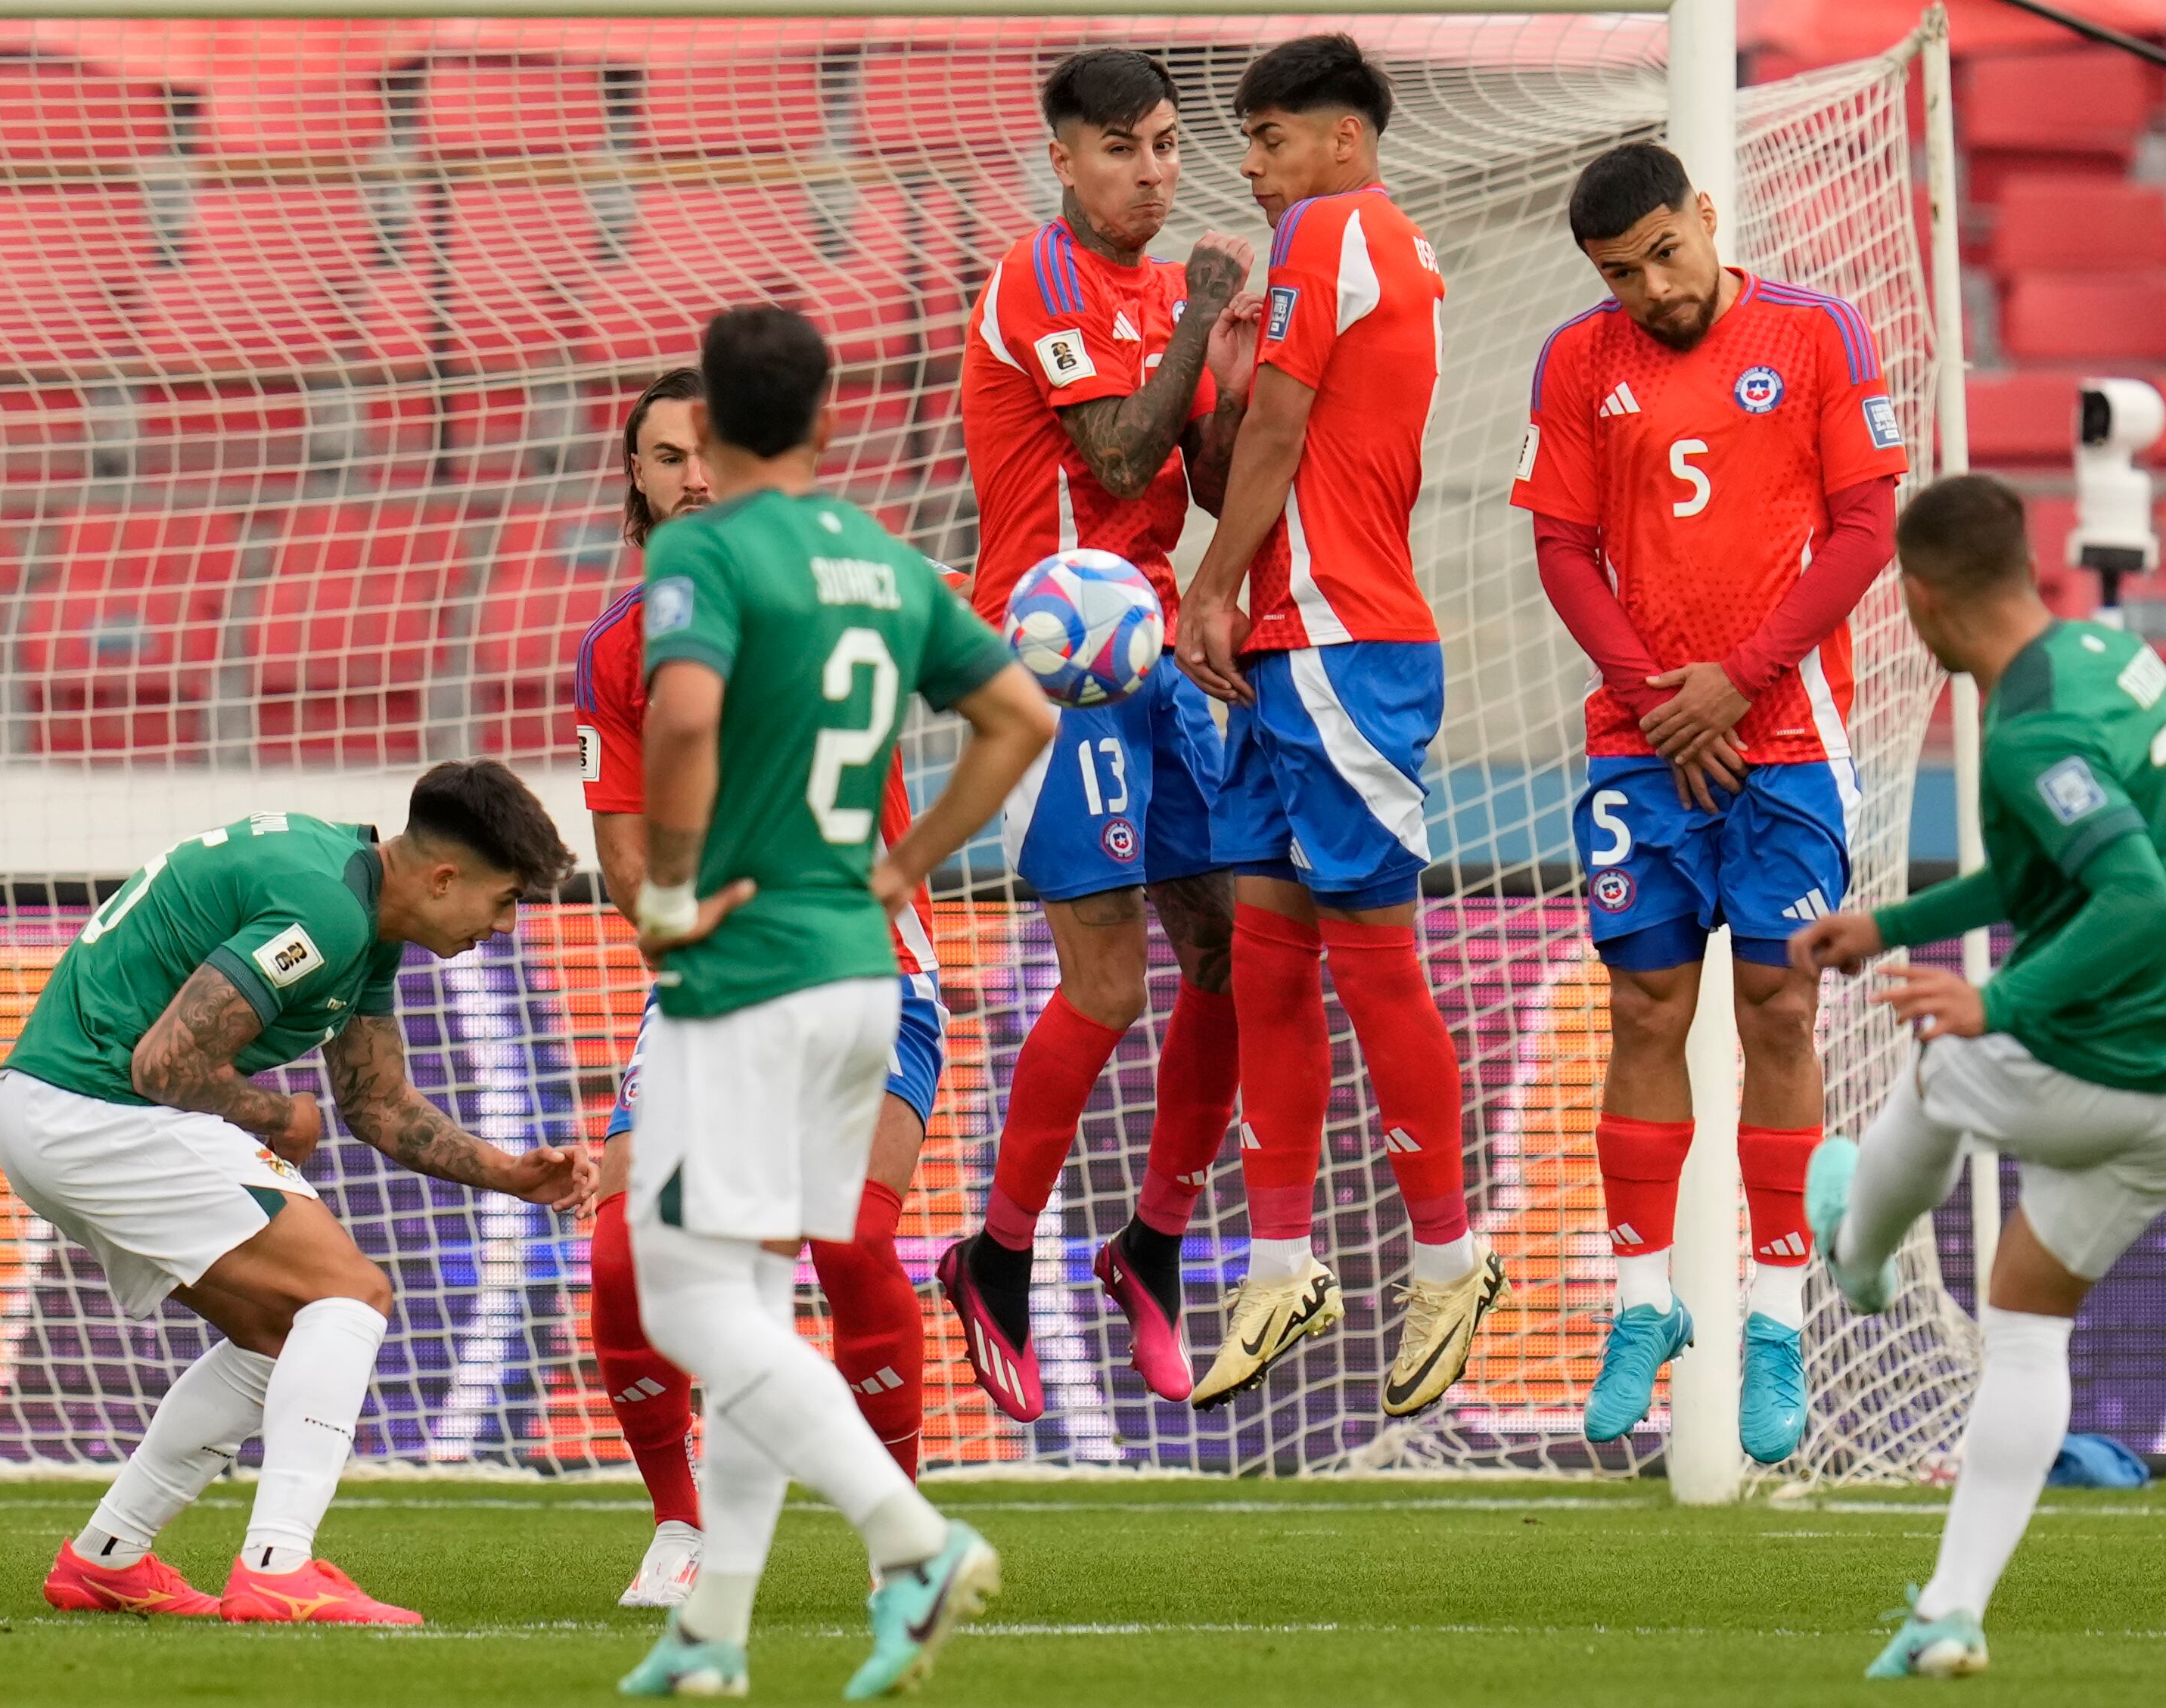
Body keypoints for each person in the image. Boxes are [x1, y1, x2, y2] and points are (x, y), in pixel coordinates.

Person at [616, 305, 1055, 1700]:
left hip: (746, 972)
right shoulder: (880, 557)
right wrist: (911, 864)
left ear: (714, 430)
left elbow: (682, 717)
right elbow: (1022, 717)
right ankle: (710, 1638)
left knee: (684, 1297)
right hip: (871, 969)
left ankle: (909, 1539)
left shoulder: (704, 547)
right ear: (824, 416)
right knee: (751, 1288)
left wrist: (673, 889)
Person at [1792, 473, 2166, 1678]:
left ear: (1920, 596)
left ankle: (1859, 1249)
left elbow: (2132, 893)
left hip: (2106, 1058)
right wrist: (1892, 925)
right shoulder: (2102, 658)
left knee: (1943, 1060)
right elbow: (2060, 869)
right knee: (2024, 1322)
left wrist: (1992, 999)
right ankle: (1948, 1608)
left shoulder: (2032, 729)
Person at [1509, 141, 1908, 1462]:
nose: (1648, 289)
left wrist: (1733, 684)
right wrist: (1654, 693)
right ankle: (1643, 1301)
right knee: (1642, 1001)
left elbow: (1863, 524)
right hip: (1643, 733)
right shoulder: (1576, 360)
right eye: (1620, 274)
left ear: (1706, 220)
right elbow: (1560, 546)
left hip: (1788, 730)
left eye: (1662, 255)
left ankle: (1778, 1317)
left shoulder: (1813, 332)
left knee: (1778, 1004)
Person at [5, 762, 593, 1625]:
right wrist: (278, 1110)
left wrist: (508, 1171)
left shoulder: (362, 908)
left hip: (60, 1110)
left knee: (280, 1332)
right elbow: (164, 1063)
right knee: (350, 1292)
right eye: (503, 901)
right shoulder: (325, 908)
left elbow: (377, 1102)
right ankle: (279, 1563)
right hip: (96, 1107)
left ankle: (108, 1556)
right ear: (443, 877)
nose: (502, 927)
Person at [1175, 33, 1507, 1417]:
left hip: (1341, 645)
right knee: (1266, 957)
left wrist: (1206, 585)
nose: (1249, 164)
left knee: (1373, 966)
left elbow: (1279, 445)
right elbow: (1242, 440)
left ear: (1343, 140)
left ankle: (1448, 1255)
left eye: (1267, 136)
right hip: (1288, 642)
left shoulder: (1335, 227)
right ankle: (1280, 1258)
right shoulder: (1357, 250)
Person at [577, 367, 947, 1608]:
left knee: (854, 1247)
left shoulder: (827, 593)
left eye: (707, 454)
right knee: (620, 1259)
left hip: (868, 975)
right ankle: (678, 1523)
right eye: (664, 456)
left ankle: (896, 1538)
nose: (690, 477)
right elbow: (624, 853)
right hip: (709, 986)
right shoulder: (616, 655)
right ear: (632, 478)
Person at [937, 45, 1261, 1421]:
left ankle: (1152, 1244)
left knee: (1235, 950)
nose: (1154, 174)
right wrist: (1198, 319)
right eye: (1124, 149)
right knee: (1110, 982)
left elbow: (1196, 477)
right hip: (1056, 655)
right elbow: (1117, 460)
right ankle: (997, 1256)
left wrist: (1235, 381)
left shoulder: (1157, 296)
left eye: (1170, 147)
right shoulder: (1043, 275)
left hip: (1154, 651)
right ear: (1061, 157)